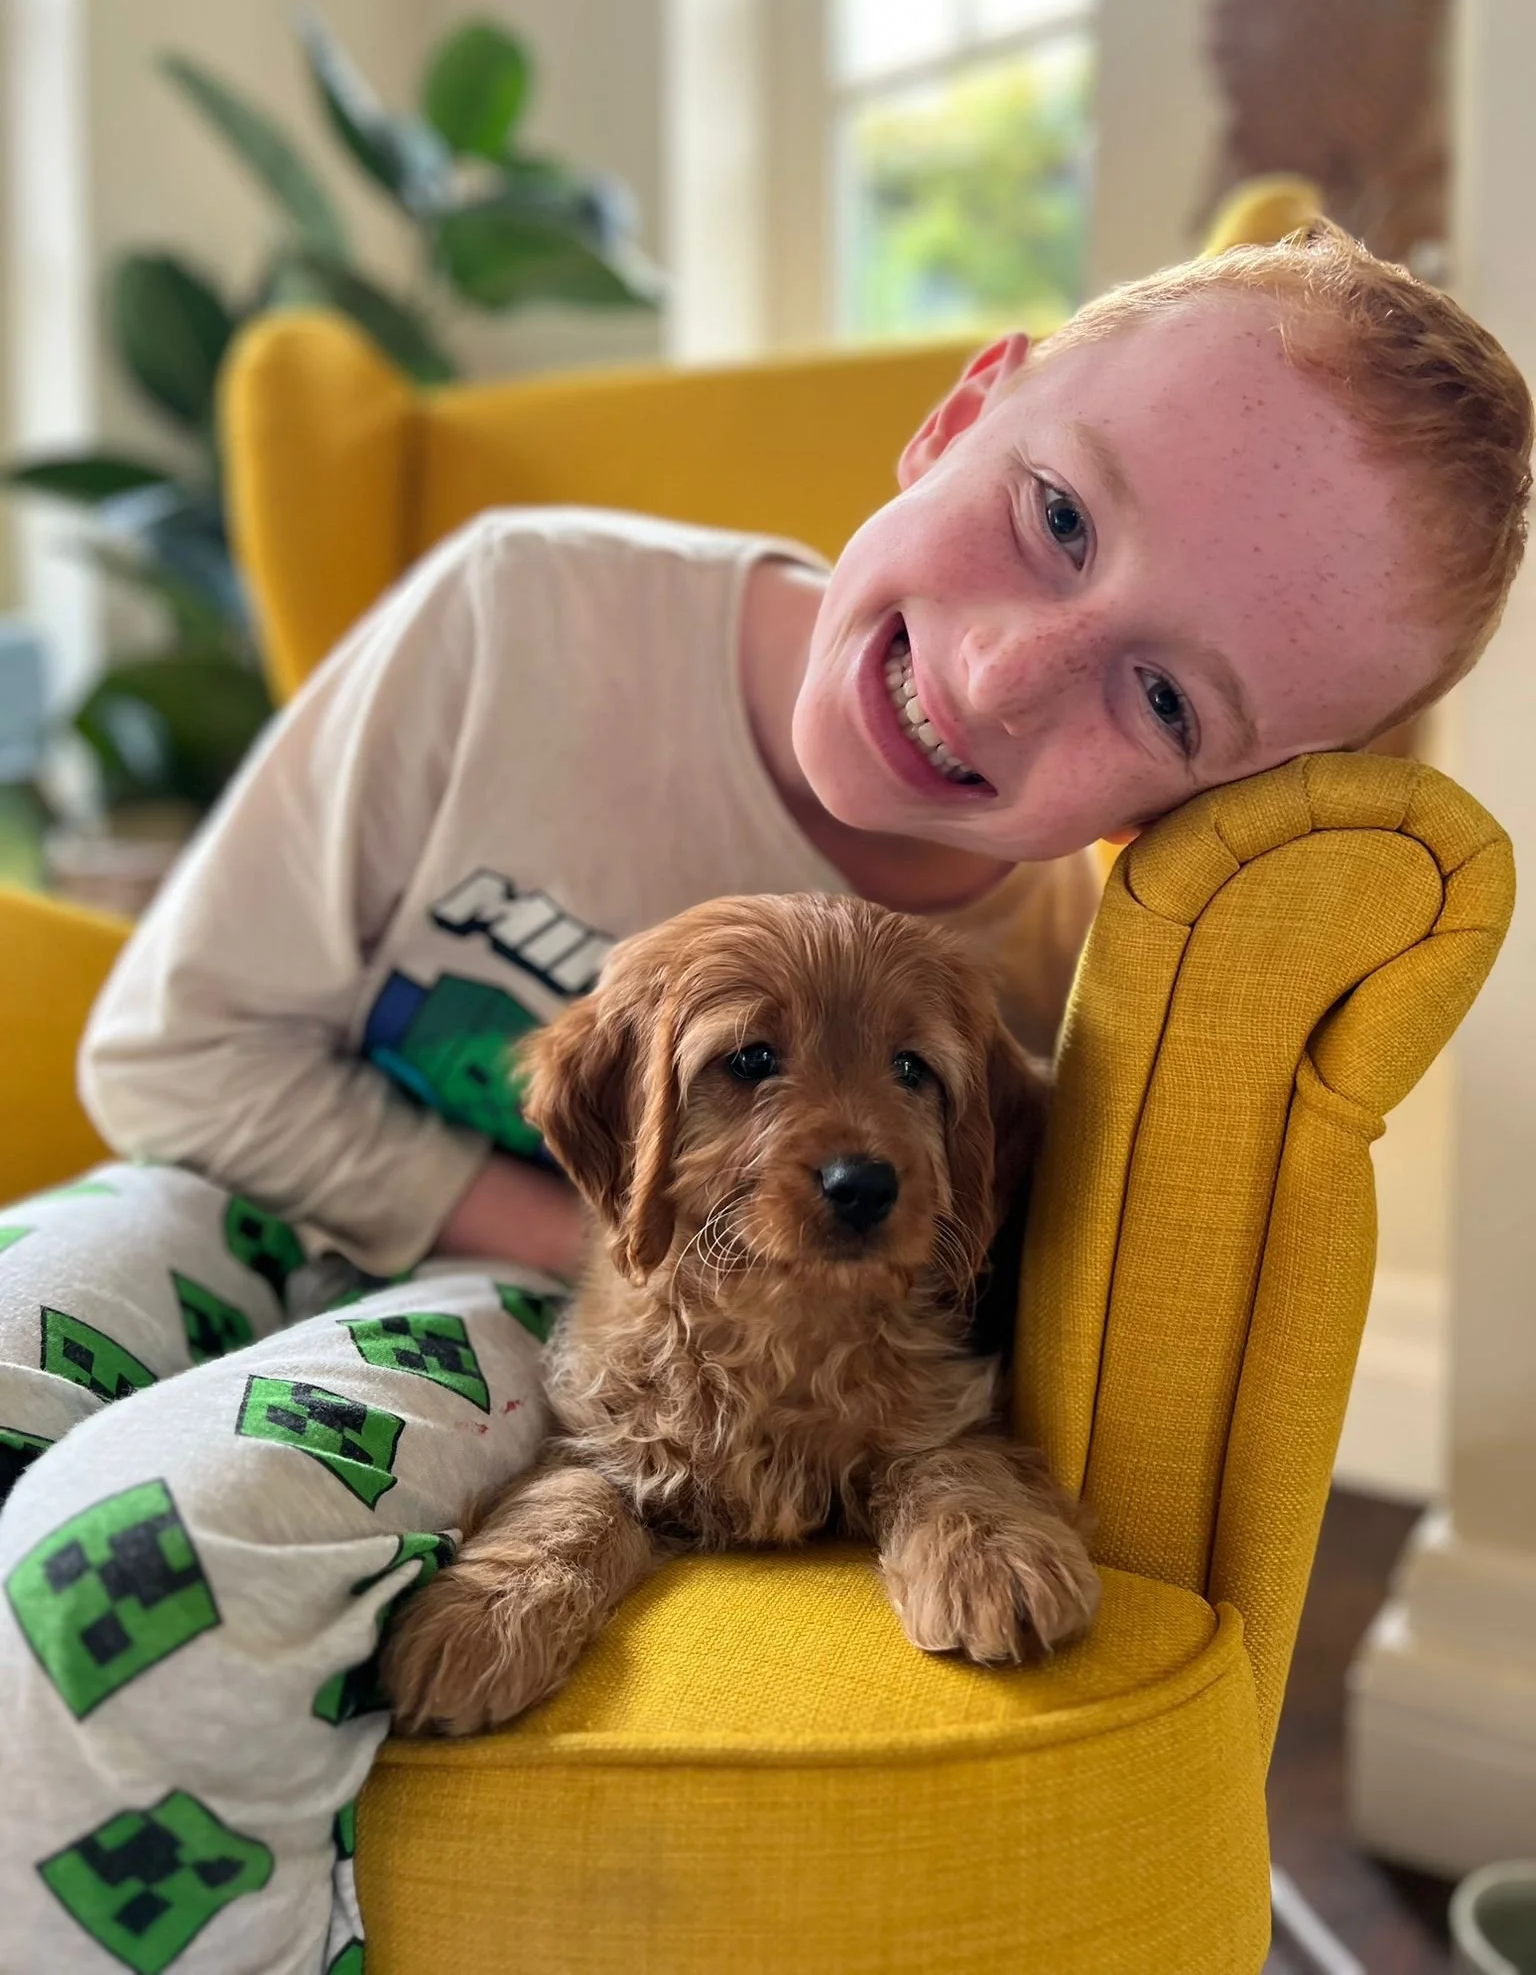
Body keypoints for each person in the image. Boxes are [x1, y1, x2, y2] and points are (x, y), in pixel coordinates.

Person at [0, 220, 1529, 1975]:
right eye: (1058, 517)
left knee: (119, 1559)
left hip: (536, 1337)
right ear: (966, 411)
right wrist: (610, 1222)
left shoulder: (1055, 983)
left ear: (1206, 802)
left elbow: (928, 1347)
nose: (1001, 676)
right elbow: (168, 1051)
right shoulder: (523, 612)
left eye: (1169, 696)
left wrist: (655, 1290)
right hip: (237, 1188)